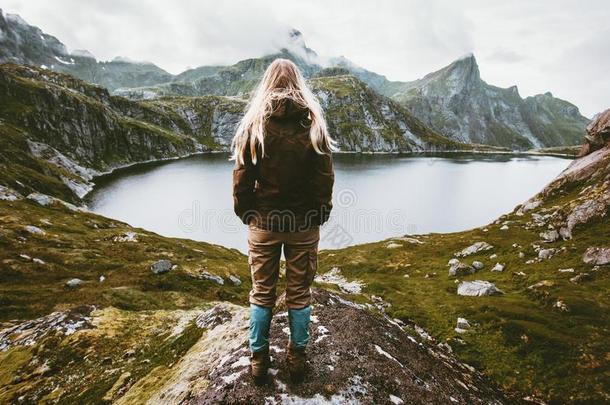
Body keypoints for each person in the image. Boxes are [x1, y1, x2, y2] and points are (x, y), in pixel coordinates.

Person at [231, 58, 335, 385]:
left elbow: (241, 181)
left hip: (263, 223)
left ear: (267, 82)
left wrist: (247, 214)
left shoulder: (255, 125)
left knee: (261, 292)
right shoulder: (313, 123)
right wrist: (319, 215)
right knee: (299, 293)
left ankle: (259, 361)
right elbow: (324, 180)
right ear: (297, 82)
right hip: (303, 224)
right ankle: (297, 357)